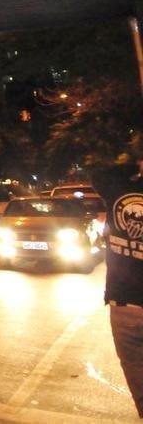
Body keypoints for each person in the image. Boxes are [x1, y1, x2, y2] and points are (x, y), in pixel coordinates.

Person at [92, 155, 143, 417]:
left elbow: (98, 170)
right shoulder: (120, 192)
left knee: (138, 380)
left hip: (125, 307)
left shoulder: (119, 192)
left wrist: (134, 164)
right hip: (124, 308)